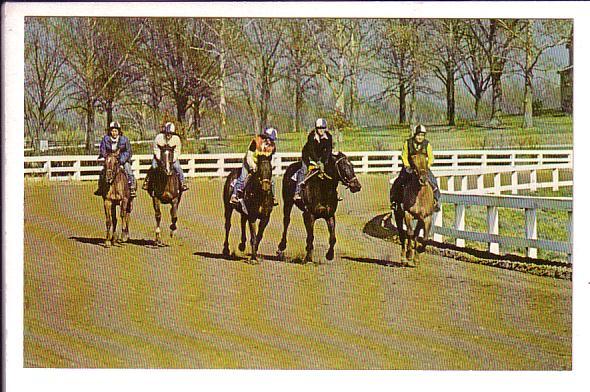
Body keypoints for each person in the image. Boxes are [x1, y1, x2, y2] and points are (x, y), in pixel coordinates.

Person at [396, 124, 440, 212]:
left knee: (433, 182)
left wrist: (427, 167)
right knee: (399, 182)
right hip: (410, 167)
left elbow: (431, 157)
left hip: (423, 168)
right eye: (418, 135)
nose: (420, 137)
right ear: (415, 134)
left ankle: (435, 201)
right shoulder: (407, 143)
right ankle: (396, 202)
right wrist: (407, 166)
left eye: (422, 135)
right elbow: (404, 156)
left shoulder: (427, 144)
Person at [230, 127, 278, 206]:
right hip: (250, 162)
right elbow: (249, 156)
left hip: (262, 165)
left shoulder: (272, 146)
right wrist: (253, 166)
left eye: (272, 140)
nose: (270, 141)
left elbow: (270, 159)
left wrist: (268, 168)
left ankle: (272, 197)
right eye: (269, 138)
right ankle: (234, 195)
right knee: (243, 177)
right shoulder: (255, 142)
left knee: (271, 180)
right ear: (265, 136)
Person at [293, 118, 333, 201]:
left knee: (329, 171)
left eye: (323, 128)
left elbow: (328, 150)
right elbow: (311, 150)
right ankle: (297, 192)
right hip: (308, 156)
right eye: (319, 128)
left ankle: (333, 193)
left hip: (321, 157)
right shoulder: (311, 136)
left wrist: (323, 161)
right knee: (304, 171)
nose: (321, 130)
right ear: (316, 128)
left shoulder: (329, 136)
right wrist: (317, 161)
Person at [142, 121, 189, 193]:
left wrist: (171, 160)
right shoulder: (159, 138)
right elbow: (156, 149)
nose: (168, 135)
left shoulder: (176, 139)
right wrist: (161, 159)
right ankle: (147, 182)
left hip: (171, 157)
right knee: (154, 166)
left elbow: (177, 151)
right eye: (167, 133)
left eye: (170, 133)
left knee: (177, 167)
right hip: (160, 157)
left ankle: (183, 183)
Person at [94, 121, 136, 197]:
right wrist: (107, 156)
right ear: (110, 131)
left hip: (121, 159)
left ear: (119, 131)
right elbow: (102, 149)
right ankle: (100, 187)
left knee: (128, 170)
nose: (114, 133)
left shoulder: (124, 139)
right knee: (103, 172)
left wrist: (121, 159)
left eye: (116, 131)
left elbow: (128, 151)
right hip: (110, 159)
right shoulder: (105, 139)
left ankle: (132, 187)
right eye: (113, 131)